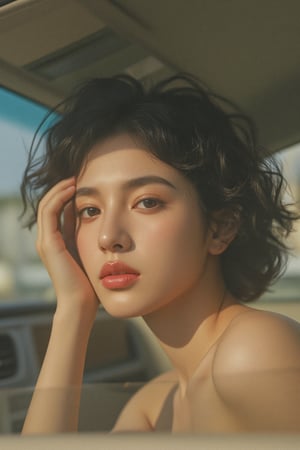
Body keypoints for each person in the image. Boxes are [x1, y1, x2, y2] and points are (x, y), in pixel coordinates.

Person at [21, 74, 300, 433]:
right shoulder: (155, 403)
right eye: (90, 210)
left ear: (221, 227)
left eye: (147, 202)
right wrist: (73, 309)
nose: (108, 236)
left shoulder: (254, 351)